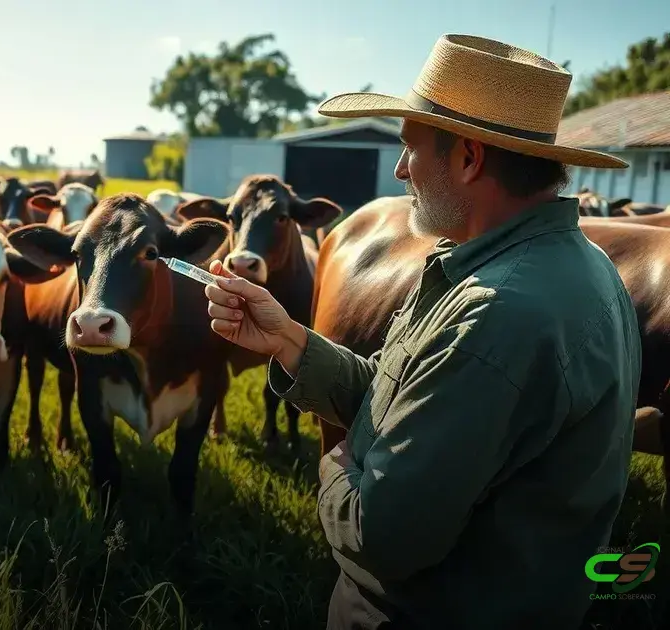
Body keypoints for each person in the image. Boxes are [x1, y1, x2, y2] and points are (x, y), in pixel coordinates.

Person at [204, 34, 642, 630]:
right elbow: (407, 395)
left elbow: (384, 537)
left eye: (411, 147)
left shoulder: (494, 313)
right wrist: (289, 341)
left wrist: (340, 459)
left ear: (468, 158)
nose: (400, 168)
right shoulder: (570, 265)